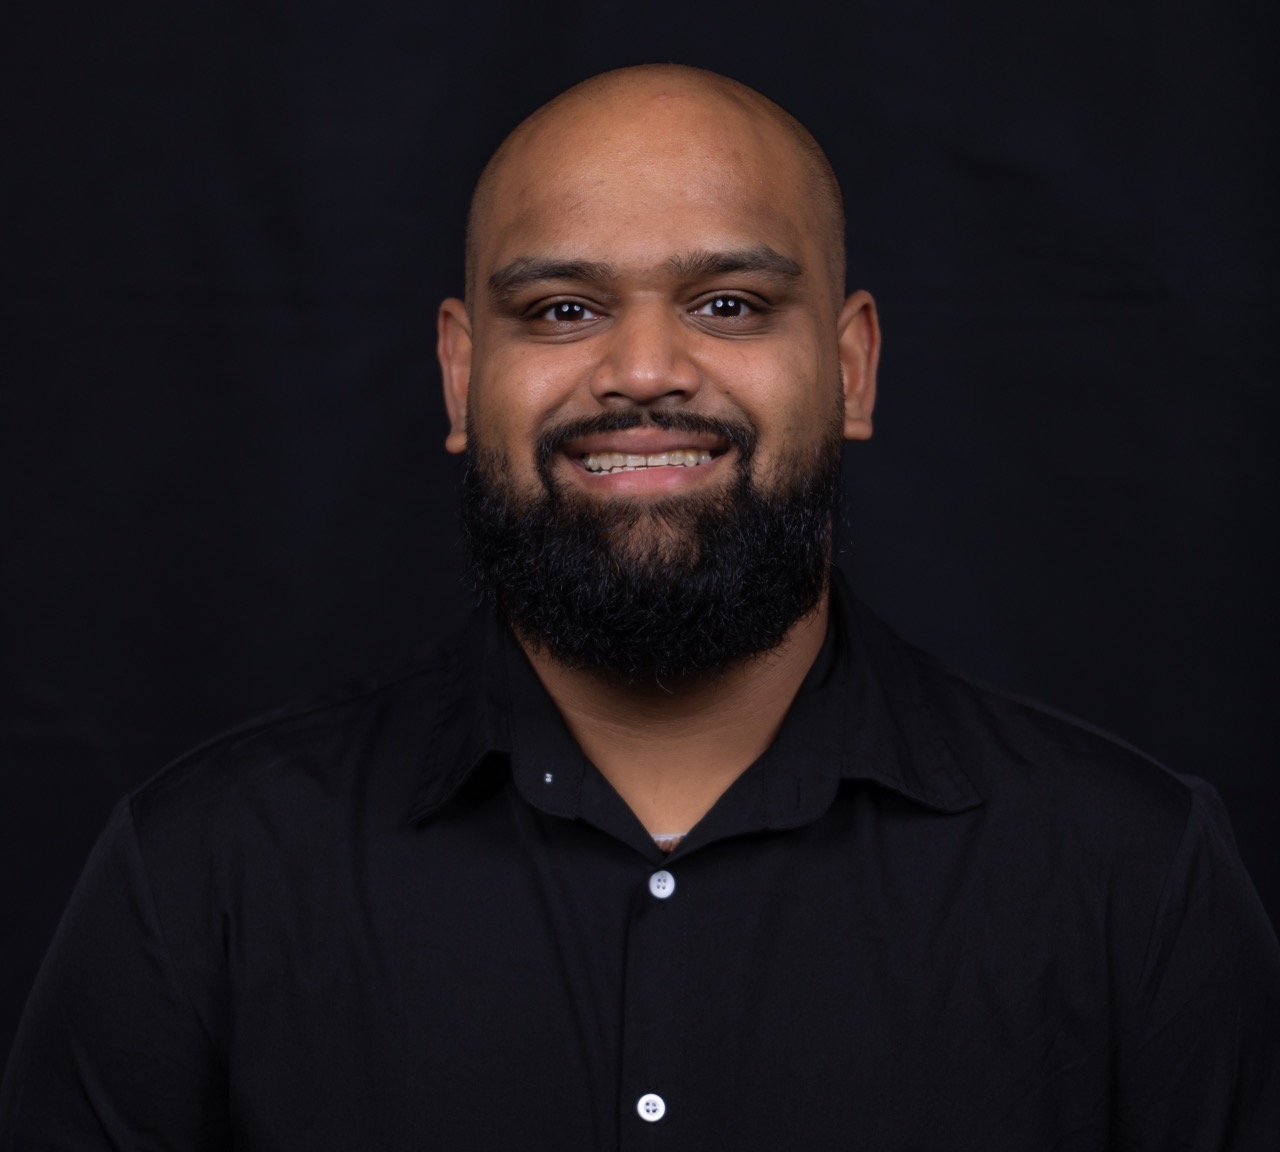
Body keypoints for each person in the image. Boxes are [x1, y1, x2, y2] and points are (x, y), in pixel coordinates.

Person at [2, 64, 1278, 1149]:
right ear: (459, 375)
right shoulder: (202, 872)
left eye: (728, 304)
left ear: (849, 368)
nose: (646, 371)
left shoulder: (1132, 877)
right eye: (562, 309)